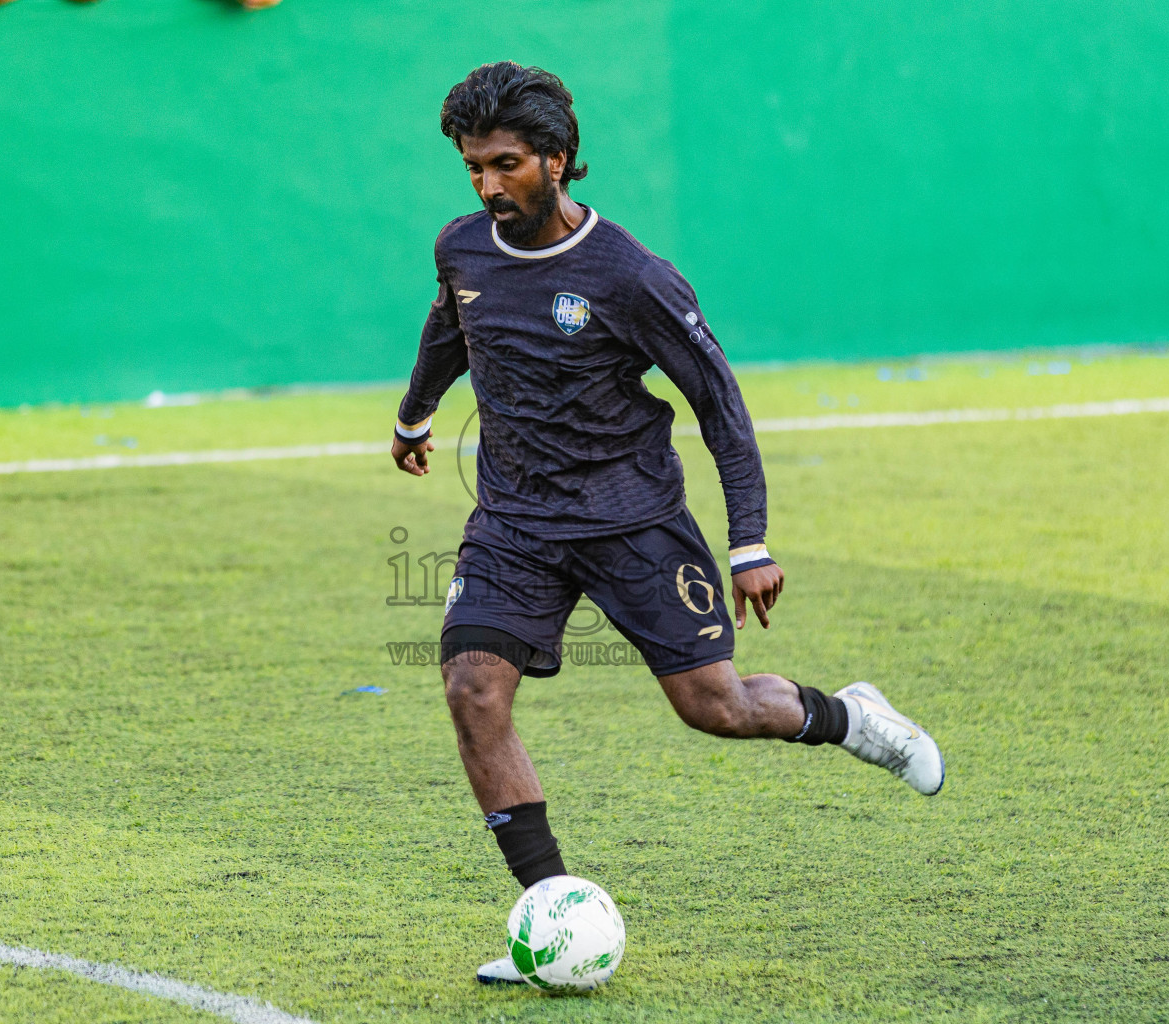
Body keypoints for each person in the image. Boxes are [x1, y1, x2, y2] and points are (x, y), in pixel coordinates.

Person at [390, 61, 946, 986]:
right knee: (472, 693)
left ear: (558, 160)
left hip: (631, 520)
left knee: (714, 708)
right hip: (515, 522)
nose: (488, 186)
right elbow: (449, 325)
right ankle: (552, 916)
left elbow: (718, 400)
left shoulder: (629, 276)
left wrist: (750, 539)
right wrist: (415, 413)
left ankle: (855, 718)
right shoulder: (463, 247)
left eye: (507, 164)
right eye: (473, 168)